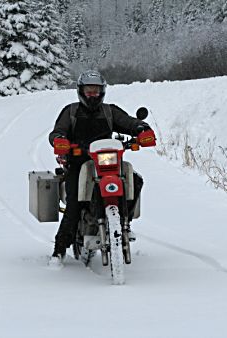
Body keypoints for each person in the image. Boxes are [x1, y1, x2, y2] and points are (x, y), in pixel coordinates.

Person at [48, 70, 154, 263]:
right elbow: (58, 131)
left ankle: (124, 221)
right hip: (79, 162)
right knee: (74, 202)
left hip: (108, 161)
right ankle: (59, 250)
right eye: (89, 91)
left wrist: (141, 128)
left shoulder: (109, 111)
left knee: (135, 180)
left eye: (96, 91)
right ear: (81, 91)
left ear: (102, 91)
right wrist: (60, 140)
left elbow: (127, 122)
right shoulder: (71, 112)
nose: (93, 95)